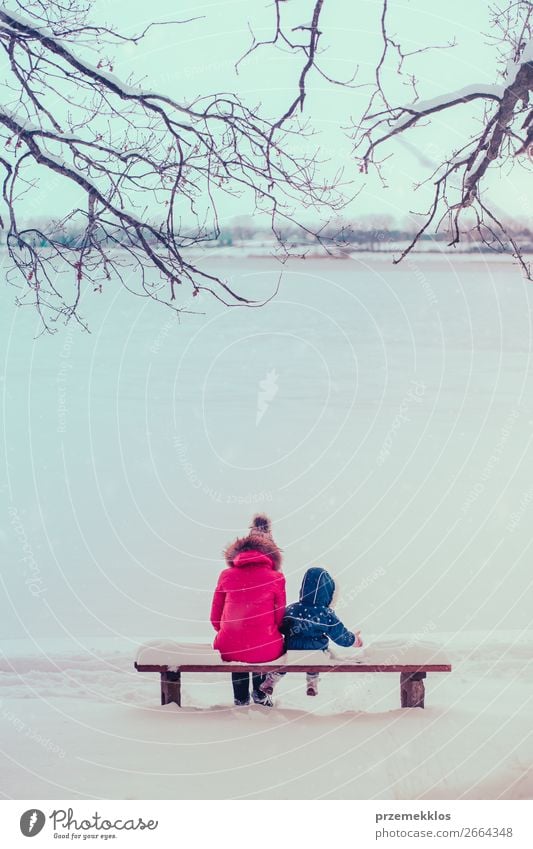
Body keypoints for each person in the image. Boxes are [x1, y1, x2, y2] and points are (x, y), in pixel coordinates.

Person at [210, 514, 286, 707]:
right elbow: (279, 618)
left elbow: (214, 618)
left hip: (230, 644)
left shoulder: (226, 575)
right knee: (261, 644)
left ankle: (240, 698)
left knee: (237, 645)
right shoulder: (276, 577)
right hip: (264, 645)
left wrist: (230, 630)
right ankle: (260, 696)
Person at [260, 566, 362, 697]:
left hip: (292, 648)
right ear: (328, 593)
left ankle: (270, 681)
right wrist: (354, 640)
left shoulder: (292, 609)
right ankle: (312, 683)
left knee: (284, 659)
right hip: (316, 649)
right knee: (315, 661)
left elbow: (281, 627)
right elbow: (340, 636)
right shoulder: (326, 614)